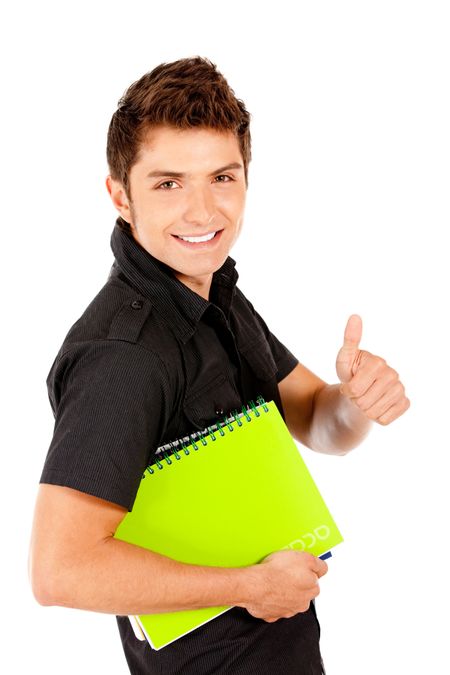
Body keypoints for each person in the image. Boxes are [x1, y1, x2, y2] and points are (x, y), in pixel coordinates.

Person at [28, 56, 410, 675]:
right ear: (120, 196)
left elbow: (315, 419)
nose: (204, 213)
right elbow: (59, 570)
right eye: (169, 183)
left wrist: (357, 401)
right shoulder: (121, 356)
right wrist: (249, 585)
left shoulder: (213, 293)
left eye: (222, 178)